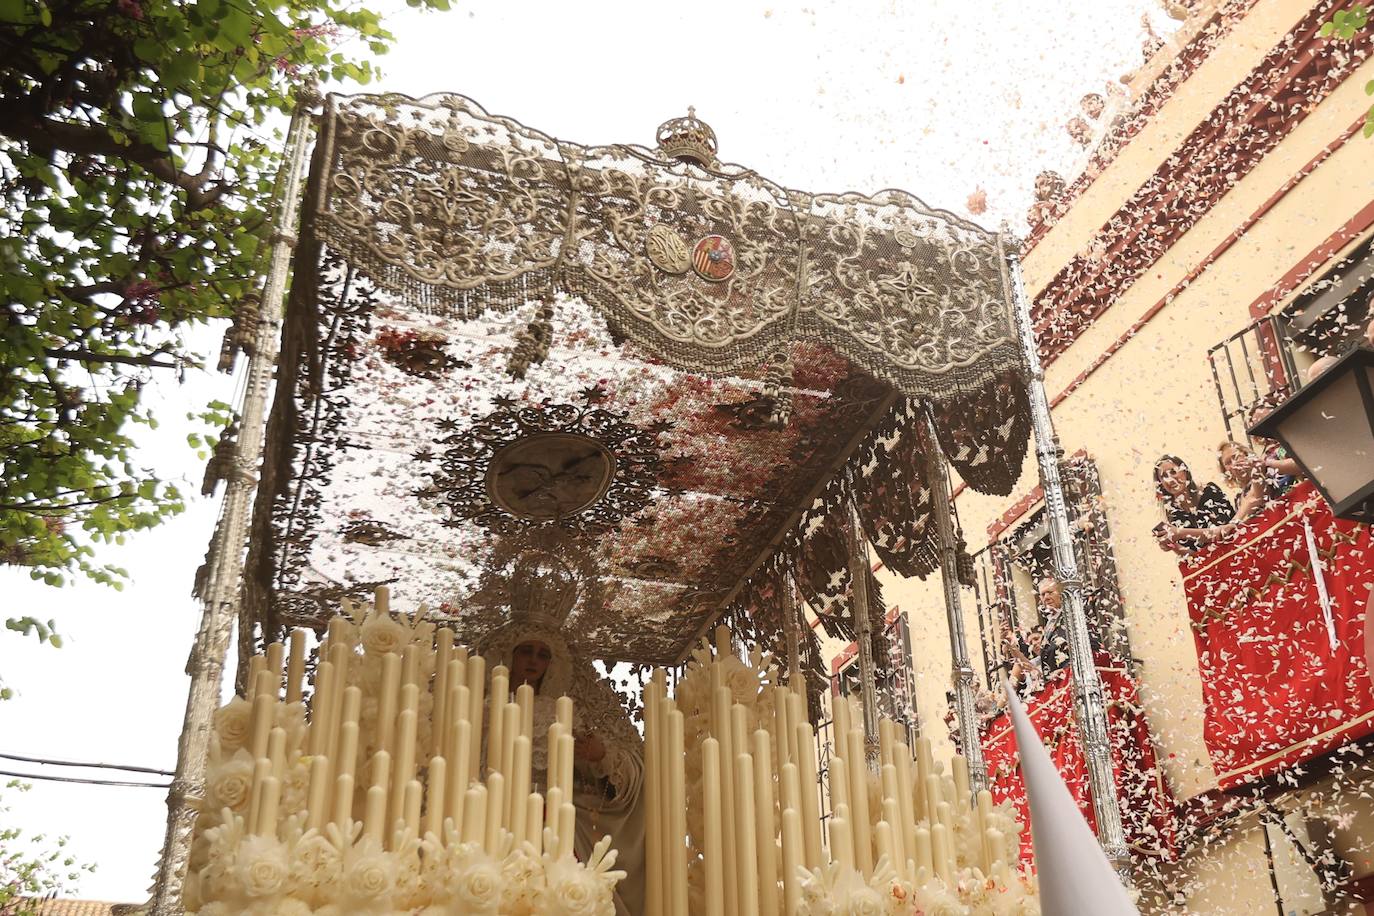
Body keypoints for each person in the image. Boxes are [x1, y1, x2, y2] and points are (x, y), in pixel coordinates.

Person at [481, 600, 645, 915]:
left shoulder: (559, 711)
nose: (533, 660)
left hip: (551, 818)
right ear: (509, 654)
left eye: (543, 654)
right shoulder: (485, 707)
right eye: (526, 650)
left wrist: (598, 755)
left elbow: (594, 758)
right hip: (494, 813)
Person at [1152, 455, 1236, 554]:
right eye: (1164, 476)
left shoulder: (1209, 491)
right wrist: (1173, 545)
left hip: (1236, 550)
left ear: (1185, 471)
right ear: (1160, 483)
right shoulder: (1174, 513)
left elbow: (1223, 532)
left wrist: (1181, 533)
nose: (1170, 479)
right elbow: (1193, 556)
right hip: (1214, 566)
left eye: (1173, 472)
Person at [1217, 439, 1269, 522]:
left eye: (1236, 457)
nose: (1234, 463)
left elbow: (1256, 497)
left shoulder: (1265, 473)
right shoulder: (1238, 499)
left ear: (1246, 454)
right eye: (1228, 463)